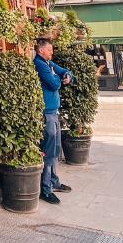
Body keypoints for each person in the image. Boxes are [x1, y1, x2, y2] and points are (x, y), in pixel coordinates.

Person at [33, 38, 74, 205]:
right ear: (41, 50)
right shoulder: (40, 64)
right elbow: (54, 84)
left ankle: (54, 182)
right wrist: (59, 78)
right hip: (46, 113)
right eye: (49, 50)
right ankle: (45, 189)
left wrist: (67, 76)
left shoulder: (49, 63)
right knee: (49, 151)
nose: (52, 52)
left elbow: (65, 71)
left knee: (56, 148)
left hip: (53, 112)